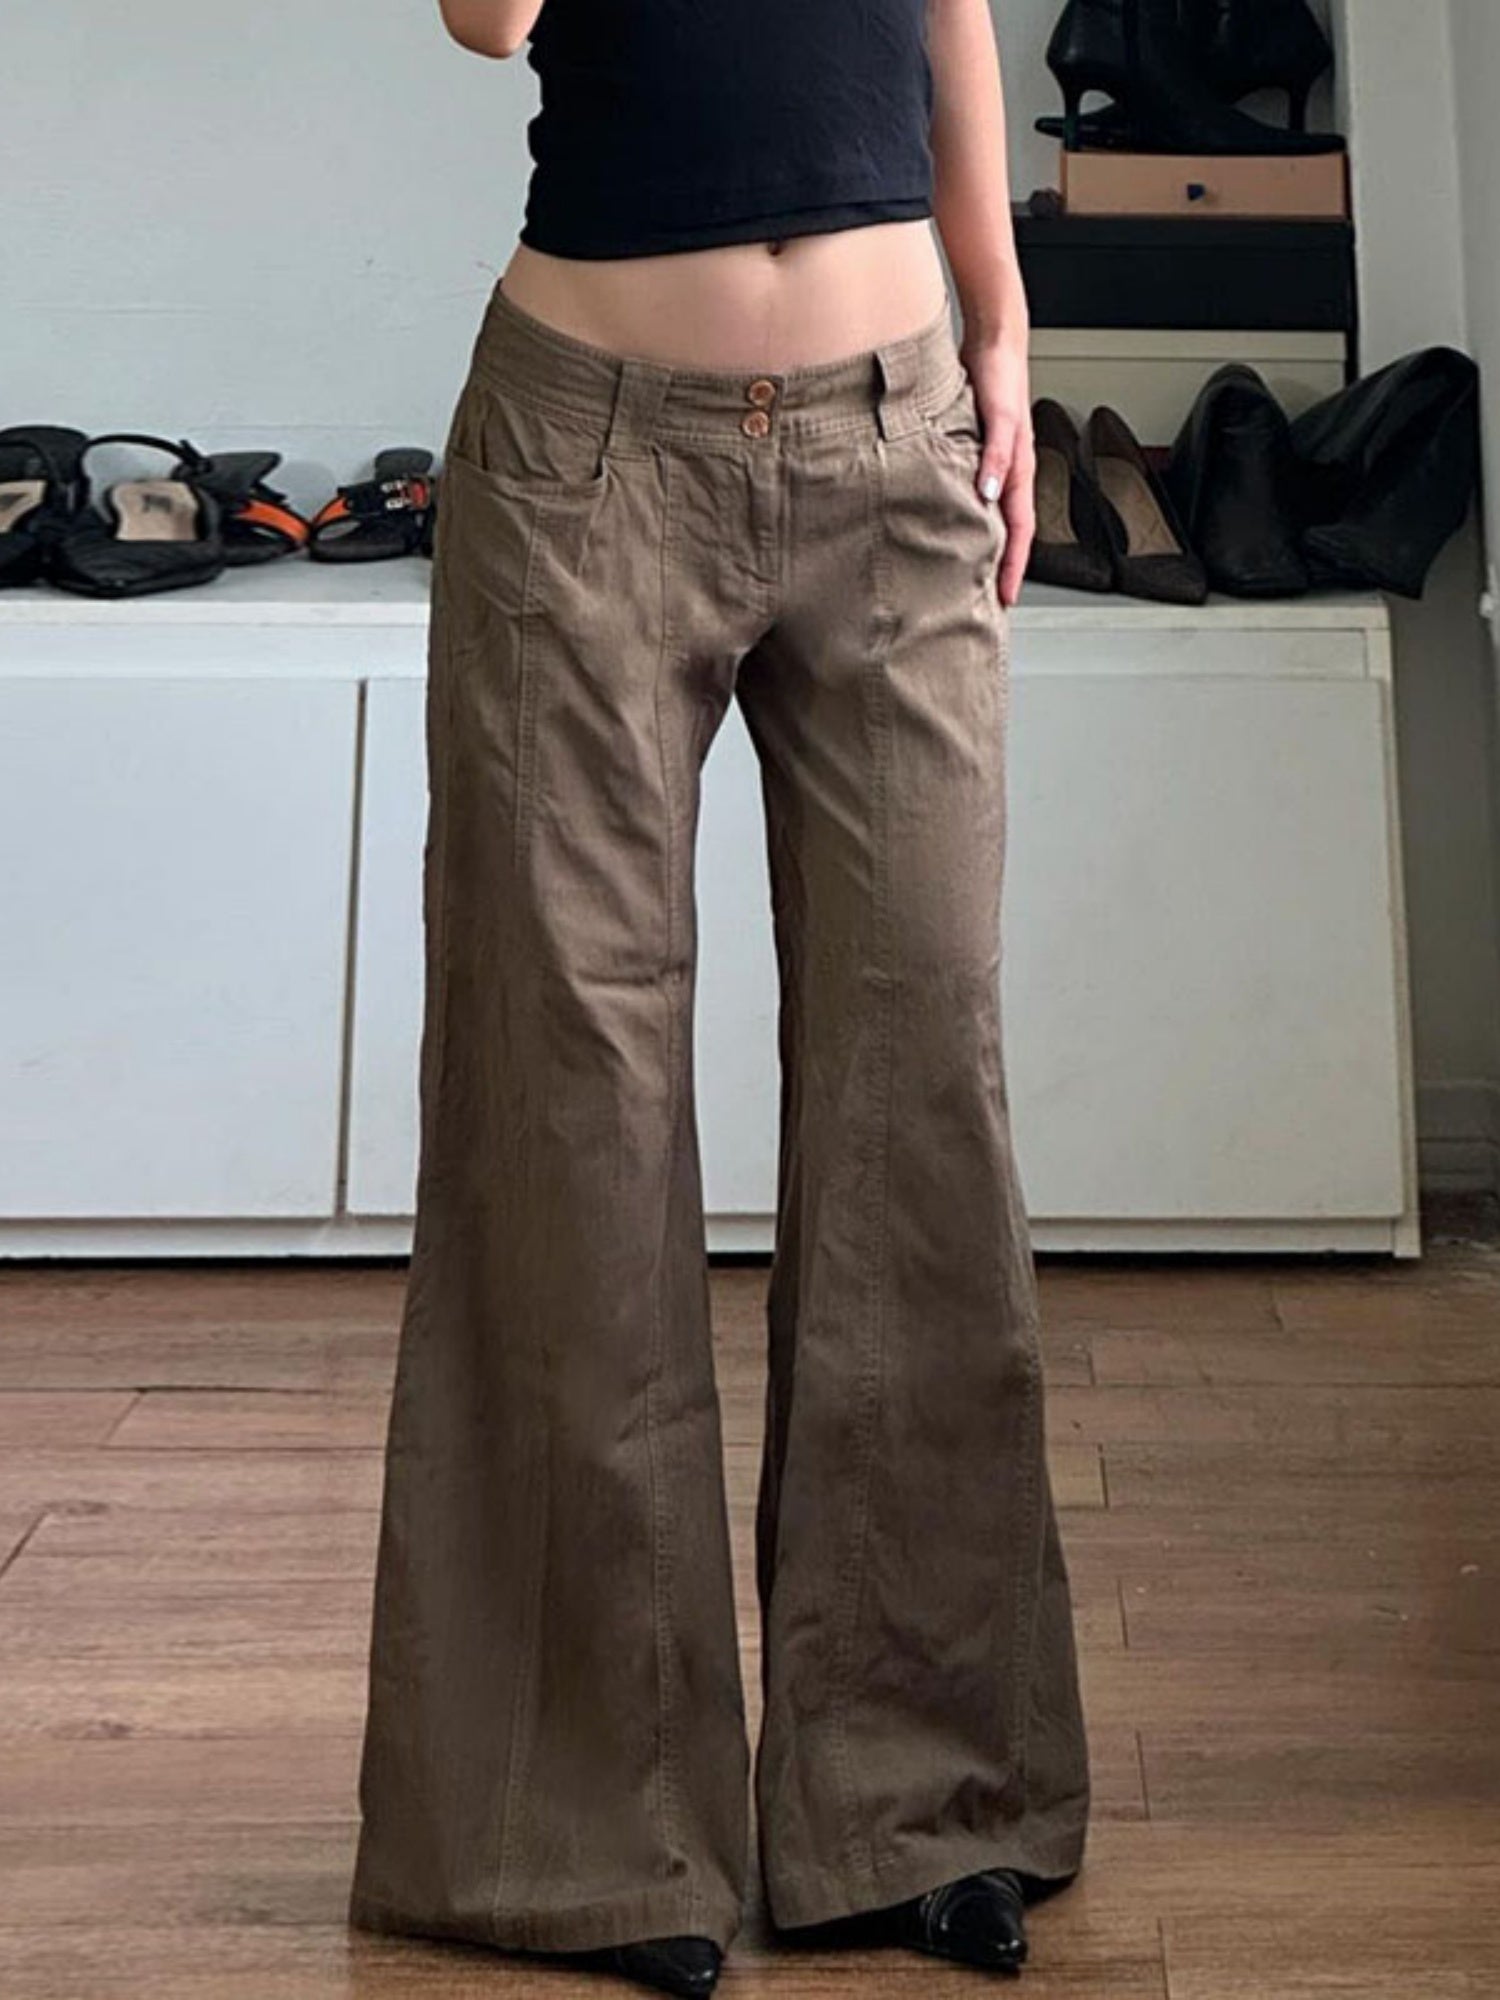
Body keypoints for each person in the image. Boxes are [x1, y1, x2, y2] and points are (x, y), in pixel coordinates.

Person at [348, 2, 1091, 1993]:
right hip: (586, 455)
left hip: (893, 429)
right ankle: (579, 1838)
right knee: (565, 1114)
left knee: (923, 1093)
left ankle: (922, 1801)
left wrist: (1004, 325)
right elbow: (489, 17)